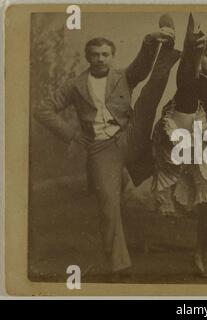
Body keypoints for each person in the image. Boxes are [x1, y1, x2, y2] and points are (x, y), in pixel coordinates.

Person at [34, 16, 181, 277]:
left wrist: (150, 42)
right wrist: (70, 133)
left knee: (149, 96)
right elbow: (42, 109)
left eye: (105, 54)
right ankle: (119, 266)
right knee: (108, 206)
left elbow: (142, 66)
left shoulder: (123, 76)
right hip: (102, 149)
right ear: (88, 58)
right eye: (95, 55)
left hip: (129, 135)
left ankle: (168, 42)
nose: (100, 59)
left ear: (112, 56)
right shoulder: (74, 85)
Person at [150, 14, 207, 278]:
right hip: (185, 129)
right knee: (188, 90)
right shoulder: (195, 79)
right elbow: (186, 79)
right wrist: (193, 51)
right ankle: (187, 42)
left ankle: (200, 254)